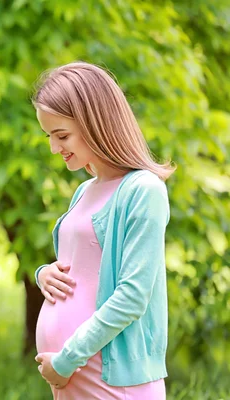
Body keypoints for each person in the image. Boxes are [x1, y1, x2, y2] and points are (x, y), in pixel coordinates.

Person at [31, 61, 174, 399]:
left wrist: (67, 360)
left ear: (95, 123)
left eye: (61, 135)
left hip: (113, 380)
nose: (54, 148)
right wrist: (44, 275)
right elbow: (81, 267)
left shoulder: (143, 190)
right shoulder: (85, 190)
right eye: (48, 136)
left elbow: (132, 296)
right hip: (74, 375)